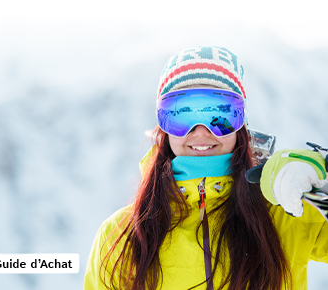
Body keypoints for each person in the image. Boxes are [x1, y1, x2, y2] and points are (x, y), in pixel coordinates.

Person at [84, 46, 328, 290]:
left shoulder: (288, 211)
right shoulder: (121, 235)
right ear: (163, 127)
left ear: (241, 123)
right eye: (181, 114)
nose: (201, 131)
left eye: (219, 114)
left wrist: (320, 182)